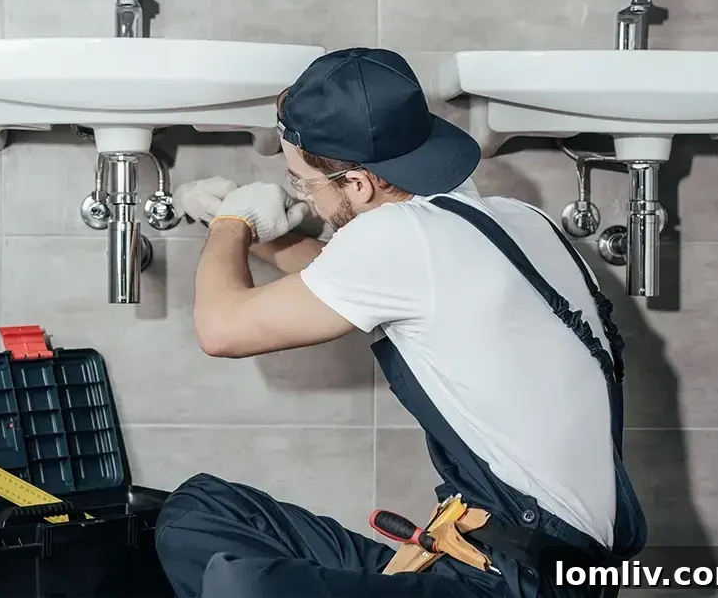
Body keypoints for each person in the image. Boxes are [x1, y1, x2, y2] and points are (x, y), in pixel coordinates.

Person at [154, 47, 647, 598]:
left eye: (302, 183)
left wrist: (232, 223)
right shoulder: (512, 219)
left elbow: (221, 330)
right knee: (199, 511)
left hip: (520, 585)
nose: (308, 201)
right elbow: (344, 284)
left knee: (242, 586)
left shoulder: (399, 239)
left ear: (359, 184)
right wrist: (264, 234)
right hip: (501, 559)